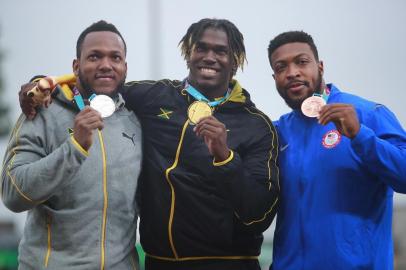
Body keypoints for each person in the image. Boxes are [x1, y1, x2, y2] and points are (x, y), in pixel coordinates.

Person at [19, 18, 280, 270]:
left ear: (235, 62)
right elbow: (100, 82)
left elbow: (259, 215)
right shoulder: (154, 96)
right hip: (159, 263)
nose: (209, 57)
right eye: (201, 48)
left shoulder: (257, 125)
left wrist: (226, 158)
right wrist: (44, 83)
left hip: (229, 265)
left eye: (221, 51)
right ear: (189, 54)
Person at [1, 21, 142, 269]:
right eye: (94, 56)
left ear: (125, 66)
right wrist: (74, 147)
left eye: (115, 57)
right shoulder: (42, 110)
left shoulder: (136, 119)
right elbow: (14, 193)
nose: (106, 65)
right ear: (76, 66)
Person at [267, 30, 406, 269]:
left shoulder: (368, 114)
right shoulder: (276, 132)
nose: (292, 73)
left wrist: (360, 135)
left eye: (302, 62)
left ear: (320, 66)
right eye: (281, 67)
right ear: (274, 77)